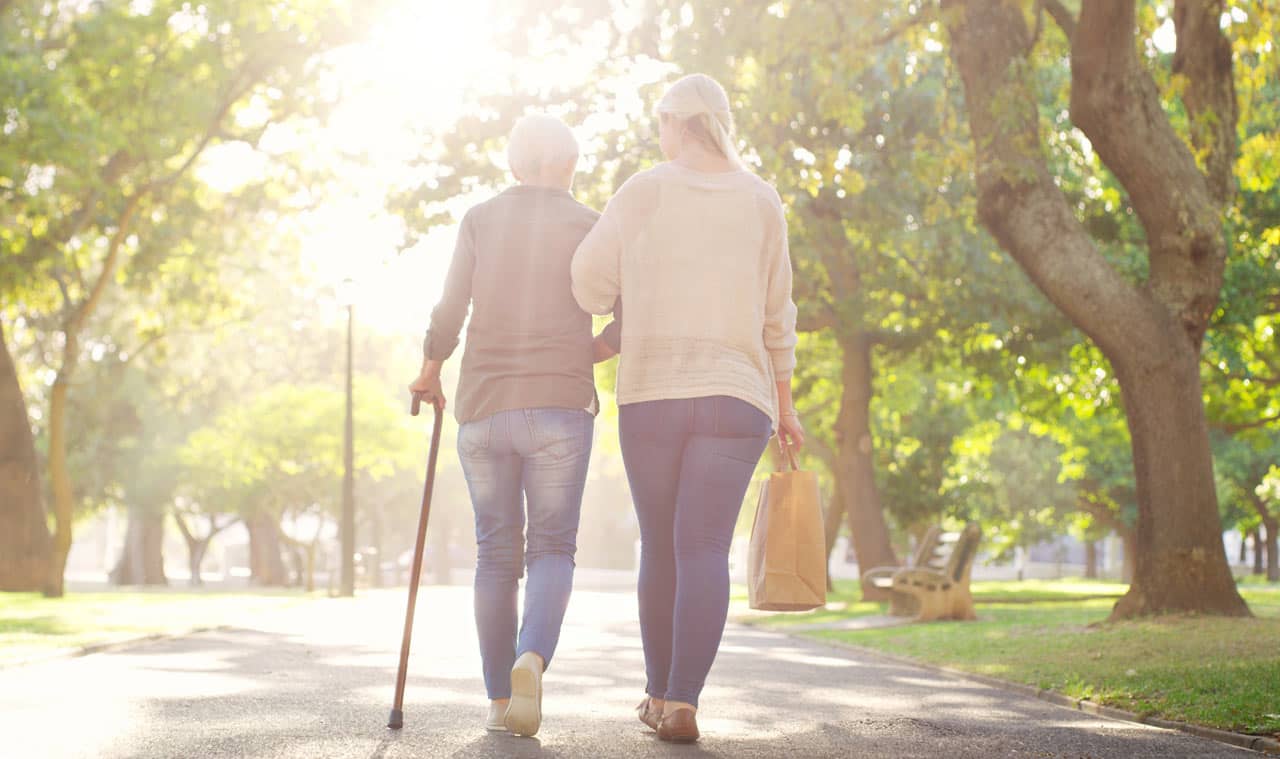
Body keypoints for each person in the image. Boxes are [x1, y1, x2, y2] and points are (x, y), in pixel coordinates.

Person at [572, 73, 804, 744]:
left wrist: (627, 301)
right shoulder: (762, 201)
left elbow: (588, 280)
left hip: (654, 392)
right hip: (739, 395)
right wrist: (784, 405)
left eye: (661, 122)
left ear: (677, 122)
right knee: (705, 546)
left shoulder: (644, 190)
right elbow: (778, 317)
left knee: (663, 547)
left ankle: (656, 692)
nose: (659, 134)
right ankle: (682, 700)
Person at [409, 113, 612, 738]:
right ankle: (533, 656)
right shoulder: (591, 225)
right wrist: (593, 350)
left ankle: (500, 699)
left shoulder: (481, 218)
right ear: (571, 167)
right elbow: (631, 307)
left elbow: (451, 305)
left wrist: (429, 370)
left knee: (495, 554)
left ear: (514, 166)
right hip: (559, 406)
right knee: (552, 547)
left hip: (484, 407)